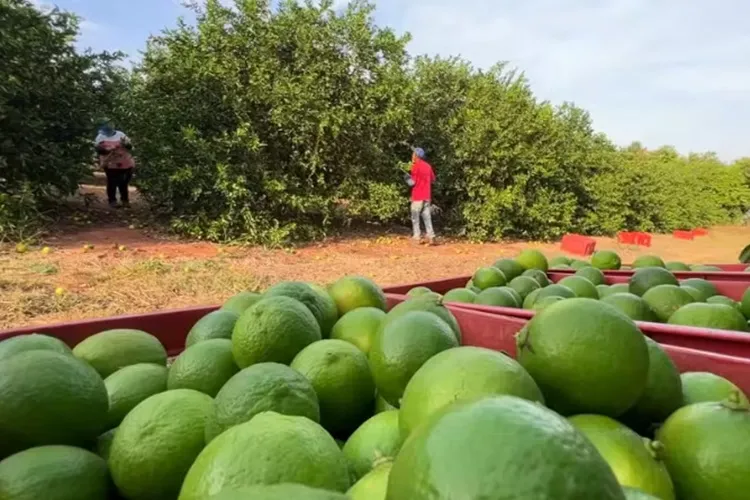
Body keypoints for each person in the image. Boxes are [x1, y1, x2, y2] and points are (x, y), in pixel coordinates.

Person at [95, 121, 135, 208]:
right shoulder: (100, 137)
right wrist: (108, 150)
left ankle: (125, 200)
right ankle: (112, 200)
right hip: (110, 163)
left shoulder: (121, 135)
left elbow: (130, 146)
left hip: (125, 162)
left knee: (124, 182)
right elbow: (99, 150)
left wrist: (125, 144)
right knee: (112, 182)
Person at [406, 147, 436, 244]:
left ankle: (417, 236)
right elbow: (433, 180)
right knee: (427, 216)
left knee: (415, 217)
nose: (412, 155)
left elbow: (412, 183)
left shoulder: (415, 166)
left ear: (416, 156)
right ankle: (431, 236)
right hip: (427, 195)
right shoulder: (428, 166)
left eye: (413, 154)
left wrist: (407, 178)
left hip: (418, 195)